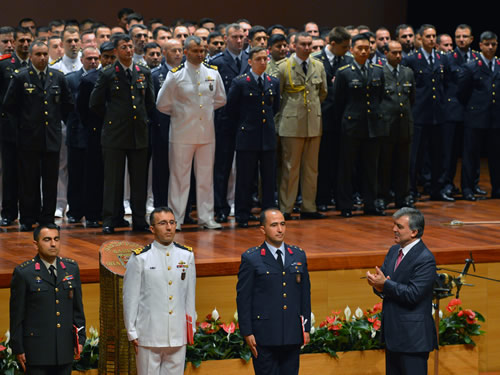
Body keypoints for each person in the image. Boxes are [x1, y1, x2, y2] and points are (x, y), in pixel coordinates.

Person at [156, 35, 226, 231]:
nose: (200, 54)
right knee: (179, 178)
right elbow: (162, 104)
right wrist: (181, 114)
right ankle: (175, 219)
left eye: (202, 50)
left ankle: (206, 217)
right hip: (182, 134)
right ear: (185, 52)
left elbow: (220, 99)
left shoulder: (213, 73)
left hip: (206, 134)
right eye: (195, 51)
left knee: (206, 178)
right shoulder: (176, 75)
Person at [3, 40, 73, 231]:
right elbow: (9, 106)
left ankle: (47, 218)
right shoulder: (21, 77)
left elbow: (67, 105)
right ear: (31, 56)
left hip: (51, 137)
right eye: (38, 54)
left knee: (50, 180)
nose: (42, 58)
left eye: (44, 54)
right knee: (29, 180)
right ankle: (27, 217)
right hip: (28, 138)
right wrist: (23, 126)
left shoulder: (57, 77)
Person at [89, 33, 155, 234]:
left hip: (138, 134)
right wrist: (113, 118)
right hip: (115, 134)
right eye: (124, 47)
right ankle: (109, 219)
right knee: (113, 180)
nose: (129, 50)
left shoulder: (143, 71)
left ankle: (139, 220)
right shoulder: (108, 73)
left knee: (139, 181)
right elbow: (95, 103)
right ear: (116, 51)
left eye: (130, 47)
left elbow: (149, 103)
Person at [236, 208, 311, 375]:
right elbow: (244, 298)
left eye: (283, 224)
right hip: (264, 335)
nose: (280, 229)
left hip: (292, 334)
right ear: (263, 229)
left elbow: (305, 295)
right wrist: (247, 332)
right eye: (274, 225)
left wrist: (306, 328)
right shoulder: (251, 258)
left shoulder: (298, 255)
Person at [123, 207, 196, 375]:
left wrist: (190, 329)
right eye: (163, 223)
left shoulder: (186, 256)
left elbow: (189, 296)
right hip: (148, 335)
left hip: (177, 335)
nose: (169, 227)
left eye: (172, 222)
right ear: (152, 228)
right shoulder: (140, 257)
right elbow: (130, 297)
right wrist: (132, 331)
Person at [366, 207, 437, 375]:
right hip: (393, 336)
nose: (394, 229)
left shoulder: (425, 259)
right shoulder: (393, 252)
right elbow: (386, 285)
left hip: (413, 340)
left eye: (399, 226)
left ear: (414, 232)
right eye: (394, 225)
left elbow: (413, 294)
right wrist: (378, 286)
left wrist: (385, 285)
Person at [10, 223, 86, 375]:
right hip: (36, 352)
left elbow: (77, 310)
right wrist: (18, 348)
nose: (53, 244)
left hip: (64, 350)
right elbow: (17, 315)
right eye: (47, 239)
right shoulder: (24, 273)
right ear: (36, 244)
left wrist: (81, 340)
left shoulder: (71, 269)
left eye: (56, 239)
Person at [226, 46, 280, 228]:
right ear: (250, 61)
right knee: (245, 178)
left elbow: (275, 107)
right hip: (247, 137)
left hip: (267, 137)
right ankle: (242, 213)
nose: (263, 62)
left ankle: (268, 214)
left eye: (265, 59)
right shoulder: (240, 82)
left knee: (269, 178)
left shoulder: (273, 82)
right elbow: (231, 110)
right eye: (259, 59)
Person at [333, 32, 385, 217]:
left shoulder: (378, 70)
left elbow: (380, 98)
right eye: (360, 48)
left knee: (371, 167)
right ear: (352, 50)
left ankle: (370, 204)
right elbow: (338, 102)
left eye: (367, 48)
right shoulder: (344, 72)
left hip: (373, 126)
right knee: (347, 168)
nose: (364, 51)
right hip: (352, 126)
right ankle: (345, 205)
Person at [277, 32, 327, 220]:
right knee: (290, 168)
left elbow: (323, 93)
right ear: (294, 46)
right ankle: (286, 208)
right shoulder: (284, 67)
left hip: (313, 123)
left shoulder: (318, 66)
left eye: (309, 44)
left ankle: (309, 207)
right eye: (303, 44)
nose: (307, 48)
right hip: (291, 124)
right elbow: (278, 95)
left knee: (311, 169)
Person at [402, 24, 452, 202]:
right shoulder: (412, 59)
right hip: (419, 113)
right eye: (428, 36)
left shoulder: (442, 58)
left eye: (434, 36)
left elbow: (446, 83)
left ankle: (436, 189)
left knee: (438, 154)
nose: (432, 39)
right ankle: (411, 190)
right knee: (415, 155)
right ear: (420, 38)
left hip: (437, 113)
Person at [209, 23, 249, 224]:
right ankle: (221, 207)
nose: (239, 40)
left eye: (242, 36)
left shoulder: (250, 61)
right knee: (222, 168)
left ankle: (242, 207)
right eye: (235, 37)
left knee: (244, 167)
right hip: (224, 122)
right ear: (226, 39)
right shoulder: (217, 62)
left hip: (246, 122)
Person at [76, 41, 116, 229]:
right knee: (94, 175)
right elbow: (82, 109)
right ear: (101, 58)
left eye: (112, 57)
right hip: (96, 132)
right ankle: (92, 213)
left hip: (118, 132)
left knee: (115, 177)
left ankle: (114, 213)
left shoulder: (124, 76)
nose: (109, 61)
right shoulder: (90, 79)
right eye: (105, 57)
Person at [313, 26, 352, 212]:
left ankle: (341, 199)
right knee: (324, 162)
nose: (347, 50)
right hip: (324, 117)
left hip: (345, 118)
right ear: (332, 44)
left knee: (342, 162)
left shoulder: (348, 60)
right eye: (344, 47)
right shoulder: (316, 60)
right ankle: (322, 198)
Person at [458, 31, 500, 199]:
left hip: (496, 118)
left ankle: (497, 188)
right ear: (480, 45)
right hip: (475, 117)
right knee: (470, 155)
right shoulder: (471, 66)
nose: (490, 47)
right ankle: (467, 189)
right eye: (487, 44)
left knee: (496, 156)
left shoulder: (498, 64)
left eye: (494, 44)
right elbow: (462, 93)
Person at [0, 27, 33, 227]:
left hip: (32, 129)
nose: (25, 44)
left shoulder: (36, 63)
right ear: (14, 41)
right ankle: (8, 212)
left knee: (30, 173)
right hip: (9, 129)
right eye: (21, 40)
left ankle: (29, 213)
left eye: (28, 40)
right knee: (10, 173)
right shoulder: (4, 66)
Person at [379, 41, 416, 209]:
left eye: (400, 52)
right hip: (386, 126)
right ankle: (383, 196)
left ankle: (403, 196)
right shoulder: (380, 72)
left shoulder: (408, 72)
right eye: (394, 53)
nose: (398, 56)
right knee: (384, 164)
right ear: (386, 53)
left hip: (404, 125)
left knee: (403, 164)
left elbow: (411, 98)